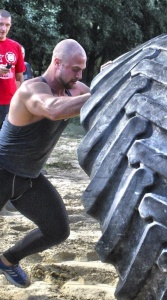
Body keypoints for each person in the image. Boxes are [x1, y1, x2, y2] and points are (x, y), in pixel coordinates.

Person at [0, 38, 91, 288]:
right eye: (74, 69)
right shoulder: (32, 90)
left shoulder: (77, 90)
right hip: (2, 171)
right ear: (57, 63)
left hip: (28, 178)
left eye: (82, 69)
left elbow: (95, 101)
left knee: (57, 230)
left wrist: (114, 79)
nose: (79, 75)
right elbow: (53, 110)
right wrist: (102, 94)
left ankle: (7, 261)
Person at [0, 9, 26, 128]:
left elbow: (19, 77)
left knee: (5, 142)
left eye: (7, 25)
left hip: (9, 104)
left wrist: (20, 100)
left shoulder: (15, 47)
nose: (4, 29)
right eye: (0, 24)